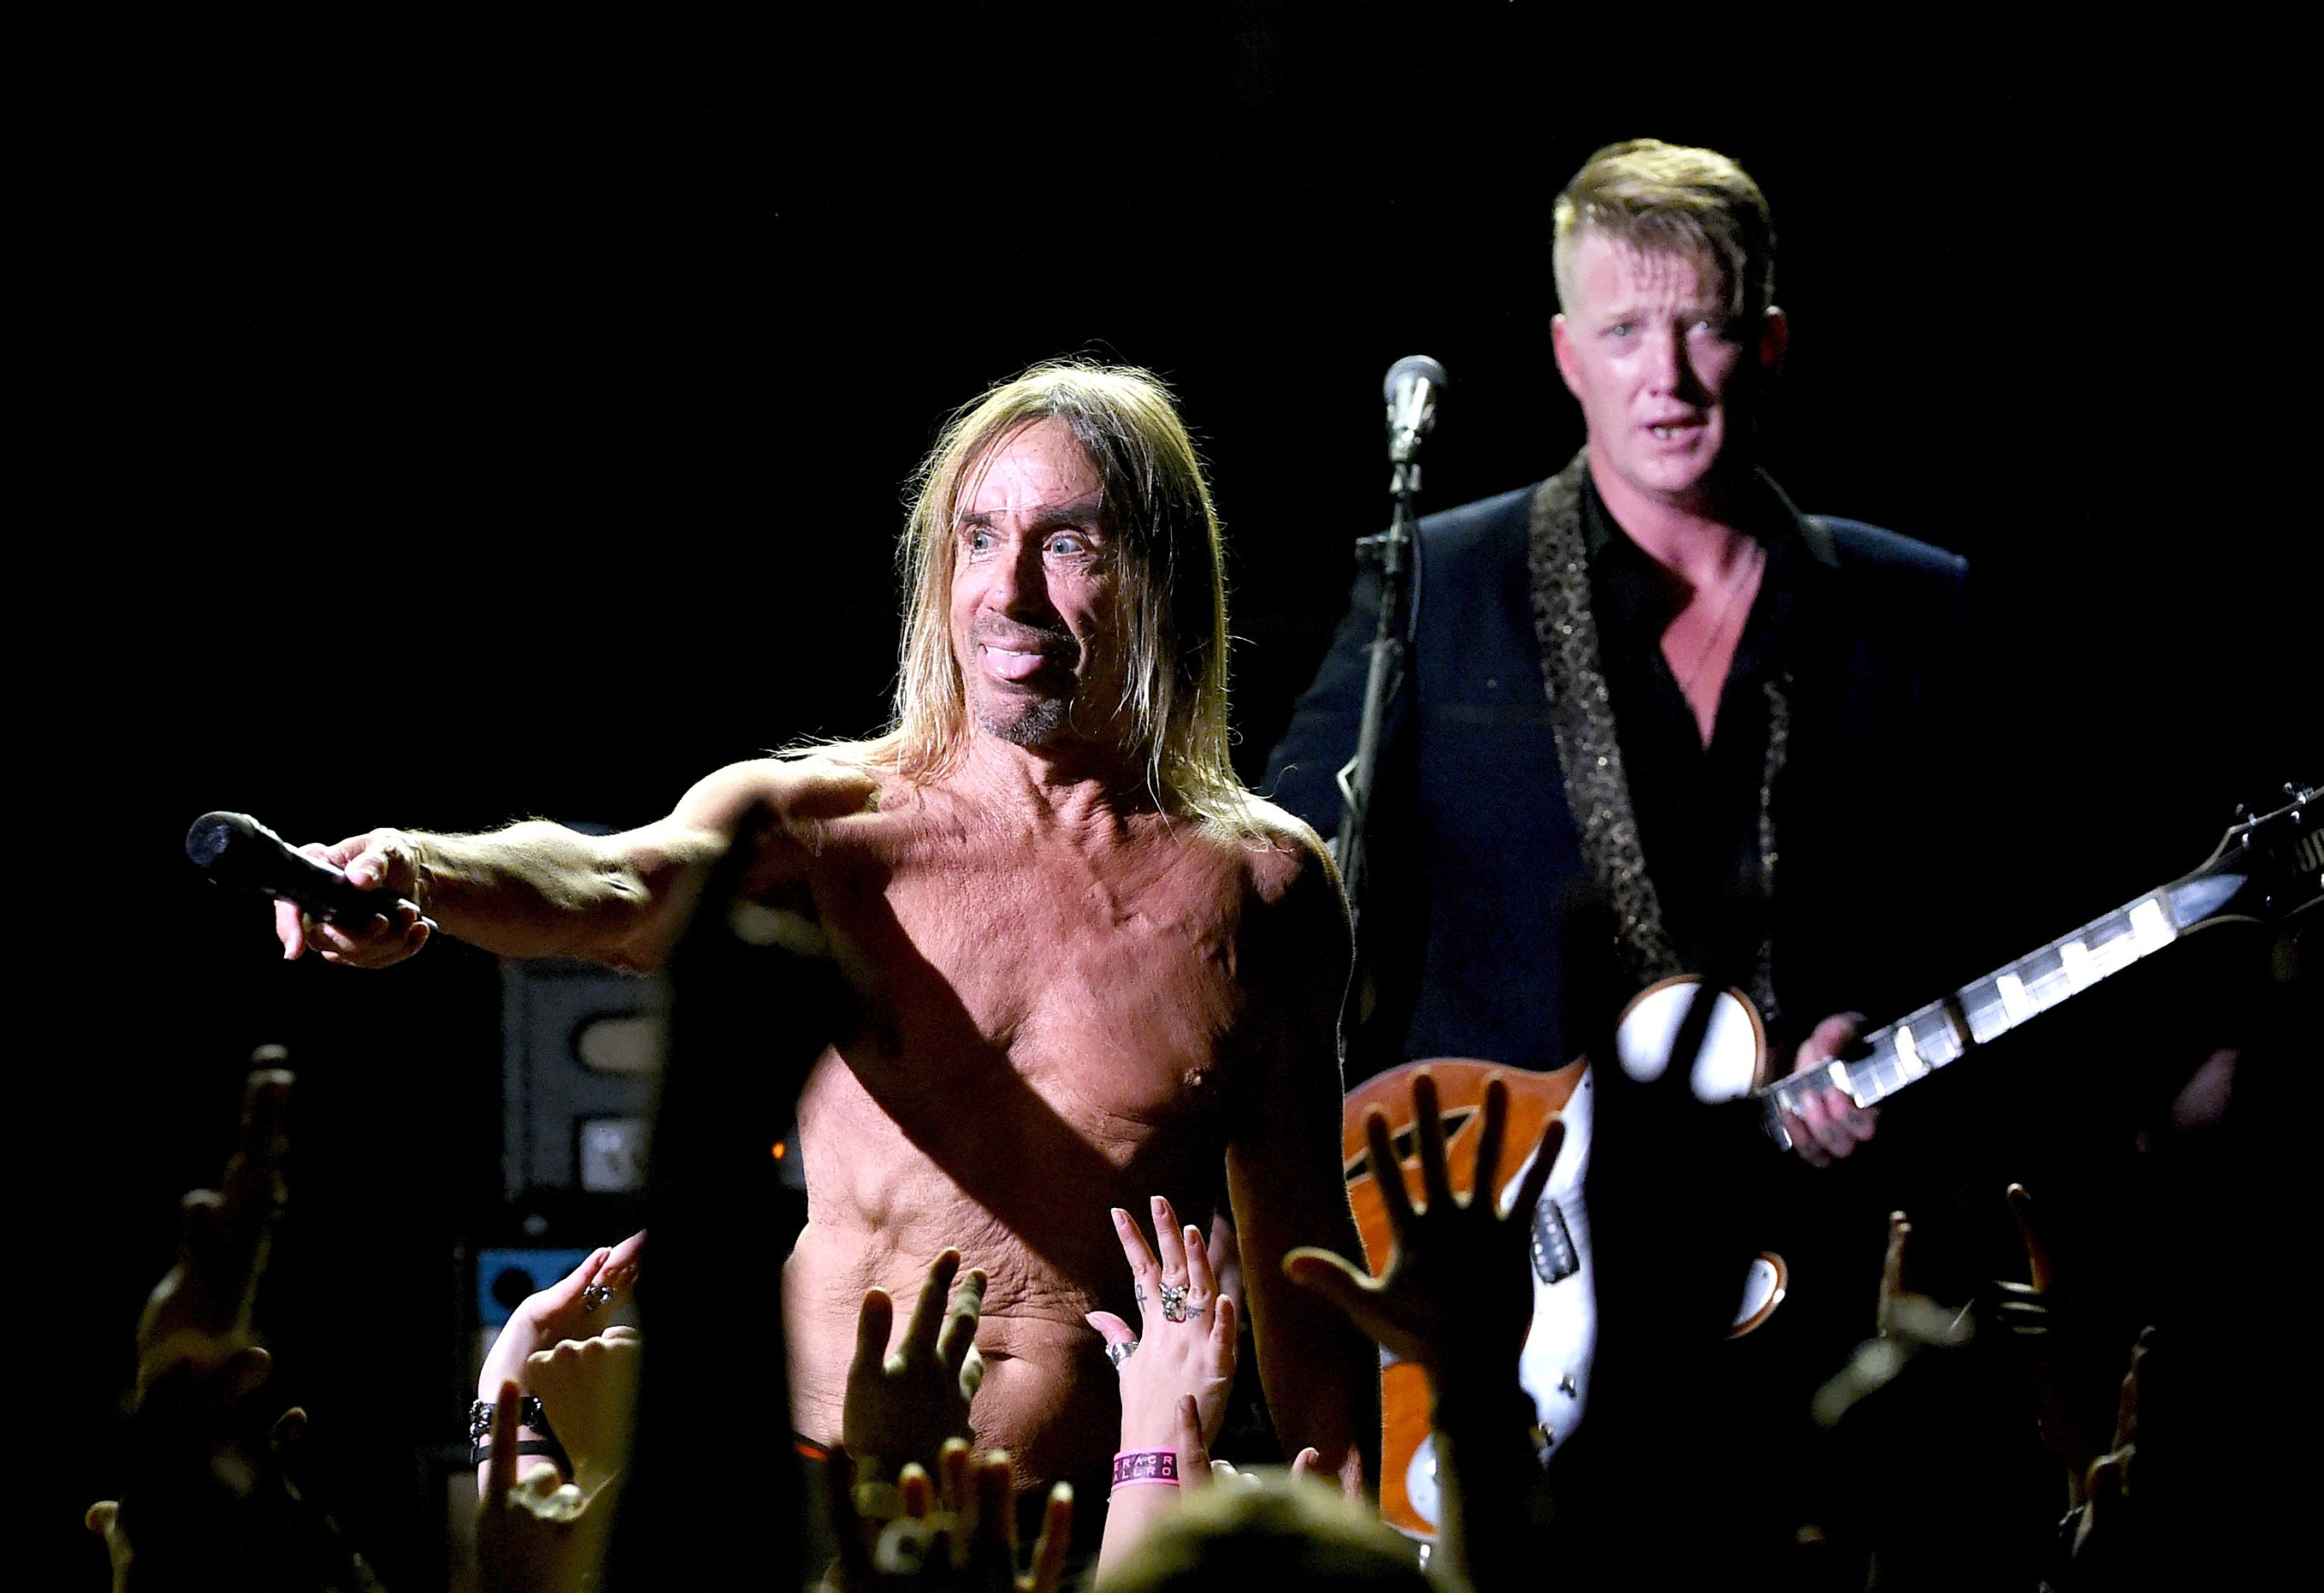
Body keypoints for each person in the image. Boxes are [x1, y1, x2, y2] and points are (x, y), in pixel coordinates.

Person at [271, 360, 1379, 1508]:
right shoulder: (825, 831)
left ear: (1161, 573)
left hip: (1091, 1523)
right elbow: (611, 883)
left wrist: (1355, 1523)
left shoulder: (1262, 890)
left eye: (1066, 545)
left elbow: (1305, 1263)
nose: (1007, 591)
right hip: (811, 1502)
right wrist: (423, 868)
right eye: (977, 538)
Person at [1264, 138, 1971, 1551]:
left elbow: (1973, 900)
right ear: (1565, 353)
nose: (1671, 376)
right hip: (1512, 1292)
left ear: (1770, 343)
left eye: (1707, 326)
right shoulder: (1441, 581)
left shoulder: (1913, 606)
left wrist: (1876, 1020)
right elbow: (1284, 872)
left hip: (1808, 1274)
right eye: (1628, 330)